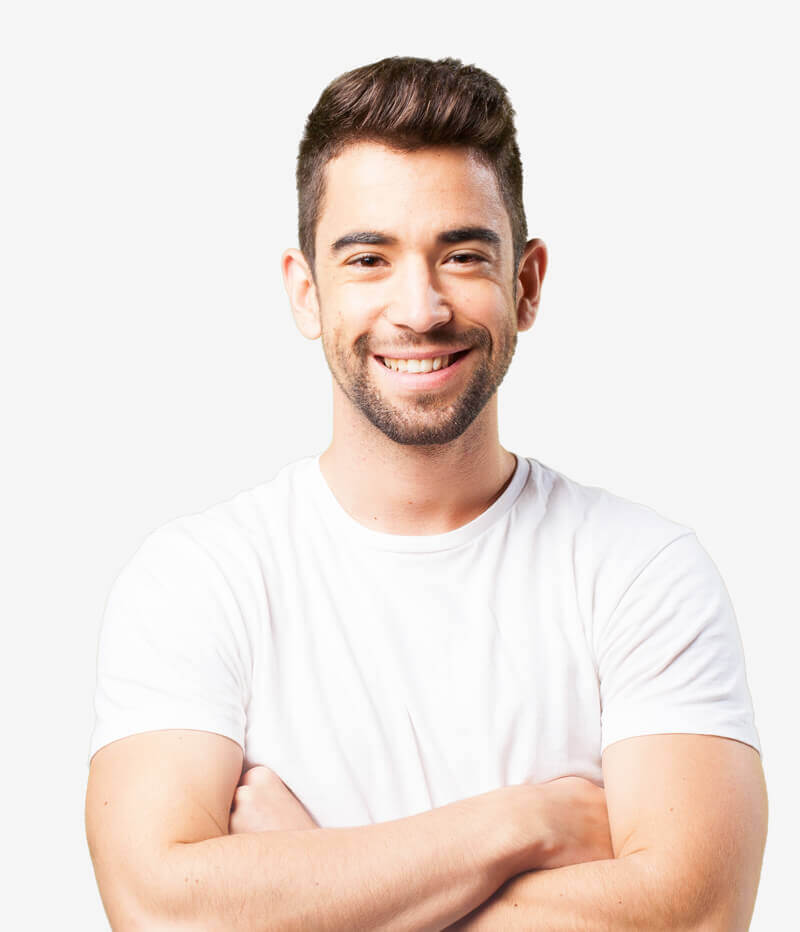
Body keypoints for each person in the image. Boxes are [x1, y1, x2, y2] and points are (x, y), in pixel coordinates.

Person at [85, 56, 767, 930]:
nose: (420, 308)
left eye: (463, 255)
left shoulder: (641, 571)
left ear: (525, 285)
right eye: (369, 258)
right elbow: (161, 909)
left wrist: (306, 885)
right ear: (306, 292)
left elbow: (694, 915)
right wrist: (528, 823)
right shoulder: (199, 578)